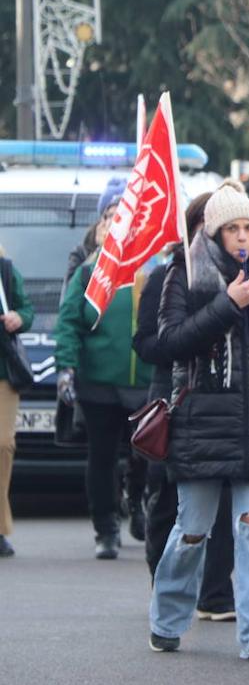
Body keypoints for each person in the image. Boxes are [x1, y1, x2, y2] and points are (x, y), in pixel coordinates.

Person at [148, 180, 249, 661]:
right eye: (232, 229)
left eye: (248, 229)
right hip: (201, 428)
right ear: (213, 233)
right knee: (192, 532)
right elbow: (171, 342)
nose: (243, 238)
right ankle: (167, 619)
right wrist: (226, 305)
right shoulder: (185, 273)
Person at [134, 192, 237, 622]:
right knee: (168, 501)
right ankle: (166, 586)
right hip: (174, 399)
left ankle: (215, 594)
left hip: (226, 403)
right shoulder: (167, 276)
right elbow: (147, 344)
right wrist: (199, 332)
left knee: (226, 497)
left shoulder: (246, 278)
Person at [54, 189, 154, 558]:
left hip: (144, 383)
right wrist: (66, 367)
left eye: (127, 218)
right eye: (112, 217)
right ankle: (106, 527)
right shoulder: (88, 273)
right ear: (102, 226)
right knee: (102, 456)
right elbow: (68, 324)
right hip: (98, 382)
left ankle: (139, 504)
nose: (119, 224)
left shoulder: (152, 272)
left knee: (145, 453)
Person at [0, 244, 34, 558]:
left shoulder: (6, 270)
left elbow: (27, 310)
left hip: (3, 373)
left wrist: (17, 318)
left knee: (3, 444)